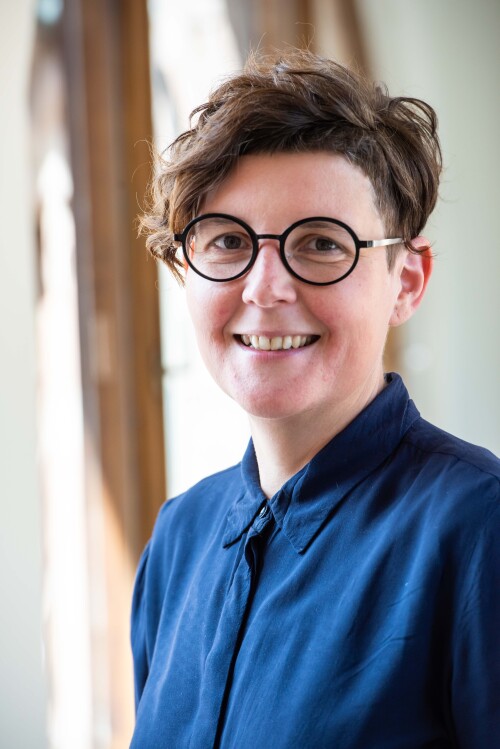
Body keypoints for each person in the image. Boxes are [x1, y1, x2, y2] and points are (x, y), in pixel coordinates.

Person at [131, 49, 500, 748]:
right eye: (228, 240)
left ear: (407, 281)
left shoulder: (479, 528)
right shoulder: (177, 539)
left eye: (322, 244)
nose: (264, 288)